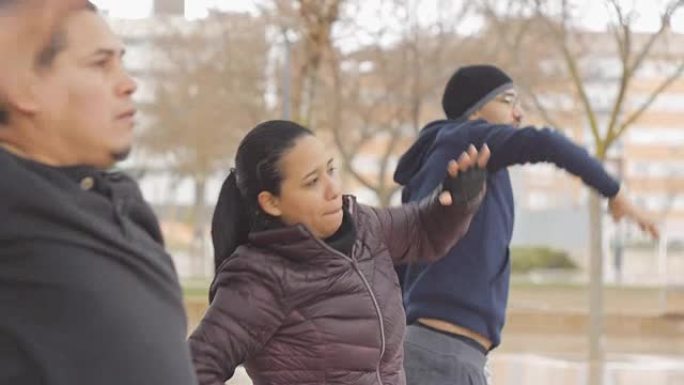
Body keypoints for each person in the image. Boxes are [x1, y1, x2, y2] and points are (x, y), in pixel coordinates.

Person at [393, 64, 659, 385]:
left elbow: (401, 261)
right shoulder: (468, 138)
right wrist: (615, 193)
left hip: (439, 351)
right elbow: (547, 143)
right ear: (474, 112)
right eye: (507, 101)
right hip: (445, 356)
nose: (518, 114)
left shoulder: (442, 162)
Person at [188, 119, 489, 385]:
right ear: (271, 202)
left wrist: (459, 200)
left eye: (330, 170)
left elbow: (422, 230)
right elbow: (196, 368)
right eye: (312, 182)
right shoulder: (259, 277)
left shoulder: (365, 226)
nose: (333, 189)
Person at [0, 3, 197, 384]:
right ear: (24, 87)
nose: (129, 83)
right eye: (99, 64)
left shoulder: (122, 204)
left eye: (121, 61)